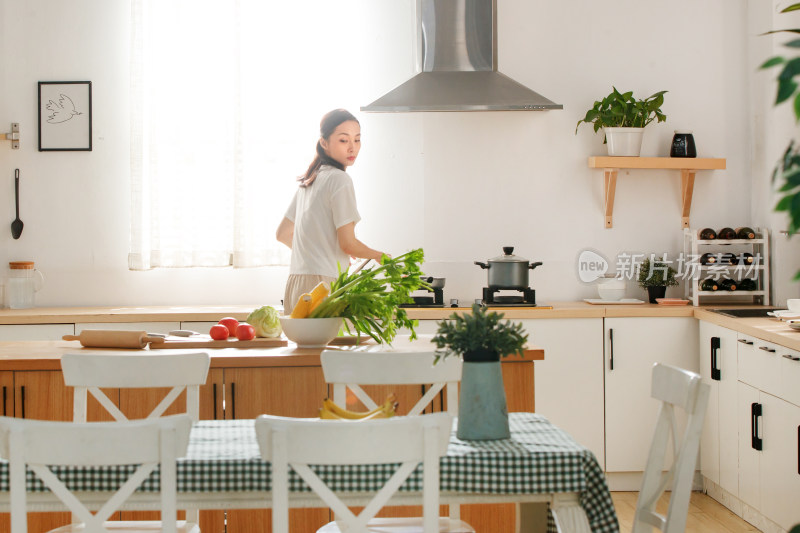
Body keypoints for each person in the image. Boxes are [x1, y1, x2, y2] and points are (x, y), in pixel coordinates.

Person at [276, 108, 387, 314]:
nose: (352, 147)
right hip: (323, 286)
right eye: (344, 140)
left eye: (357, 139)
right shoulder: (339, 179)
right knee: (330, 346)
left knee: (303, 347)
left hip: (295, 283)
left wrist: (319, 253)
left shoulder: (311, 179)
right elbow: (348, 245)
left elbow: (281, 234)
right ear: (324, 143)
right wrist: (380, 256)